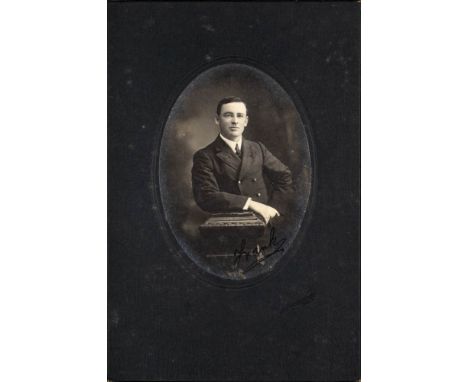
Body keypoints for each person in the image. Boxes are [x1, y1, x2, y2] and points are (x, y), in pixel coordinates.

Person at [191, 96, 293, 224]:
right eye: (228, 115)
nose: (235, 121)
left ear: (246, 121)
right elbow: (206, 195)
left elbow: (284, 176)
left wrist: (274, 209)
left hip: (263, 224)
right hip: (229, 227)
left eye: (240, 116)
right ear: (217, 120)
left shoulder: (258, 148)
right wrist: (250, 204)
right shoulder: (205, 156)